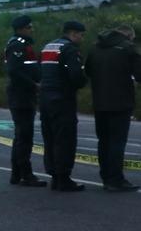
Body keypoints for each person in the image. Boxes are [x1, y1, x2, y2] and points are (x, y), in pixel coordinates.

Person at [85, 24, 141, 192]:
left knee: (103, 141)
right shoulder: (128, 48)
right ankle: (116, 179)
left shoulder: (95, 48)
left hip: (99, 102)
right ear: (128, 36)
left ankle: (106, 177)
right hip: (121, 102)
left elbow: (87, 71)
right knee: (117, 142)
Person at [39, 21, 88, 191]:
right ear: (73, 33)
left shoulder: (48, 46)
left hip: (45, 98)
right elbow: (75, 74)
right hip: (62, 98)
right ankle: (64, 177)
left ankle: (54, 175)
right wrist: (82, 82)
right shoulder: (69, 49)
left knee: (50, 137)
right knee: (65, 138)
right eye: (81, 35)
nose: (81, 39)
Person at [4, 15, 46, 187]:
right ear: (21, 29)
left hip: (23, 94)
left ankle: (17, 174)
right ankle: (25, 174)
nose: (31, 29)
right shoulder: (17, 45)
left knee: (21, 136)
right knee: (24, 136)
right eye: (29, 27)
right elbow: (14, 71)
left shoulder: (22, 44)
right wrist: (34, 85)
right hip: (21, 95)